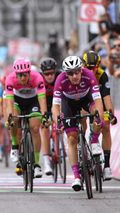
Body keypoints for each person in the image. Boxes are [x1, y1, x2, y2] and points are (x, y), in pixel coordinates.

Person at [52, 56, 104, 191]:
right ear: (65, 73)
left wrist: (99, 117)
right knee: (72, 138)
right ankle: (76, 177)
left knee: (97, 114)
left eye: (76, 72)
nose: (74, 76)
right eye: (70, 73)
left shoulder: (89, 75)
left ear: (81, 70)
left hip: (86, 99)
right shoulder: (60, 80)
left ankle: (93, 141)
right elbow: (56, 105)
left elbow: (98, 100)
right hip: (68, 103)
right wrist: (57, 120)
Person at [5, 58, 48, 178]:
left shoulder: (37, 77)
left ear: (30, 72)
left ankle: (37, 163)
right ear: (15, 74)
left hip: (33, 101)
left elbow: (42, 99)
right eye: (20, 75)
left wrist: (44, 116)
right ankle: (14, 146)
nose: (23, 78)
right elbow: (9, 102)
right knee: (13, 119)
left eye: (25, 74)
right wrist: (9, 118)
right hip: (17, 100)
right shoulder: (10, 79)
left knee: (35, 128)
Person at [82, 50, 117, 180]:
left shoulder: (102, 75)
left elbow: (106, 97)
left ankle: (107, 166)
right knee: (81, 120)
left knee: (106, 127)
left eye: (94, 67)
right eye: (88, 67)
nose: (91, 70)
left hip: (99, 101)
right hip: (84, 101)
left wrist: (111, 113)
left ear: (98, 65)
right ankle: (82, 147)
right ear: (84, 66)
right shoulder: (80, 74)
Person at [39, 57, 61, 176]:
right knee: (44, 127)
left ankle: (60, 146)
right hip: (44, 102)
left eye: (52, 73)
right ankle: (47, 160)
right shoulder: (39, 79)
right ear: (42, 74)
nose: (50, 76)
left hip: (57, 102)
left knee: (59, 121)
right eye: (46, 74)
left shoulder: (61, 76)